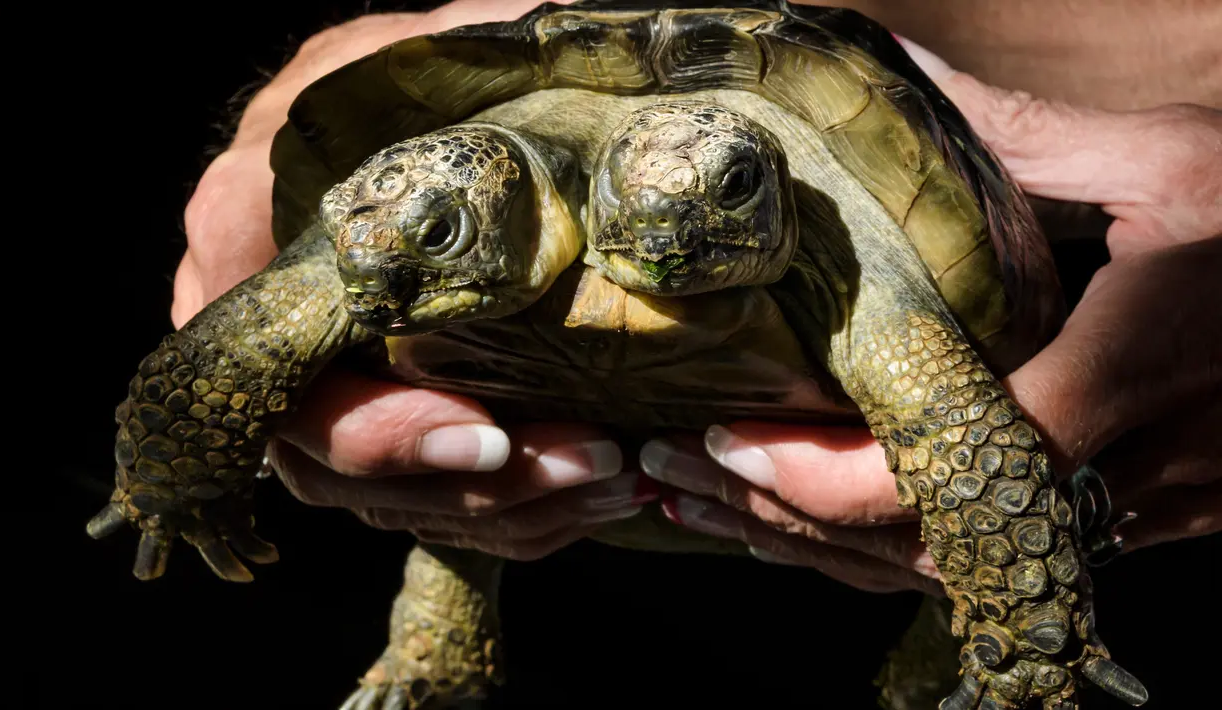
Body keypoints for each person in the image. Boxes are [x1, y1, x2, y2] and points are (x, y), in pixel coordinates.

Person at [173, 0, 1220, 593]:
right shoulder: (460, 184)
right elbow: (241, 339)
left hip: (1147, 348)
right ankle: (448, 601)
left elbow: (973, 448)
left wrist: (1020, 610)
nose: (673, 236)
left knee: (974, 476)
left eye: (726, 196)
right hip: (462, 509)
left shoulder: (834, 234)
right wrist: (183, 455)